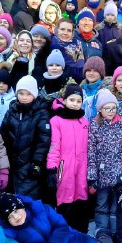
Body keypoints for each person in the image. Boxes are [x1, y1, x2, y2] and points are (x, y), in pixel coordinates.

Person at [88, 89, 122, 233]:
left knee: (117, 205)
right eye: (107, 108)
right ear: (100, 110)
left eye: (113, 108)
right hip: (102, 174)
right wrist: (92, 175)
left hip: (119, 175)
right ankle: (102, 231)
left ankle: (116, 231)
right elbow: (91, 151)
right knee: (102, 204)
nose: (111, 111)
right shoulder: (95, 126)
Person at [47, 85, 90, 231]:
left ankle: (81, 232)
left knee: (81, 198)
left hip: (82, 168)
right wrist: (52, 168)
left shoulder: (84, 122)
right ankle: (64, 232)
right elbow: (54, 147)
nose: (75, 104)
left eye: (78, 101)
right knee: (65, 198)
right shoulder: (56, 120)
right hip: (64, 168)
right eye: (72, 100)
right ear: (64, 100)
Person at [0, 76, 51, 199]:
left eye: (28, 94)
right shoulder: (12, 110)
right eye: (21, 93)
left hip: (30, 163)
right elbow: (3, 134)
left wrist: (37, 162)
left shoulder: (41, 112)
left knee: (29, 197)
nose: (24, 97)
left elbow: (43, 140)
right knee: (14, 197)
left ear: (34, 95)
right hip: (13, 162)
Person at [81, 56, 108, 122]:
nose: (91, 73)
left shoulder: (107, 91)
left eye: (95, 71)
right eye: (88, 70)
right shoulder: (80, 90)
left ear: (101, 73)